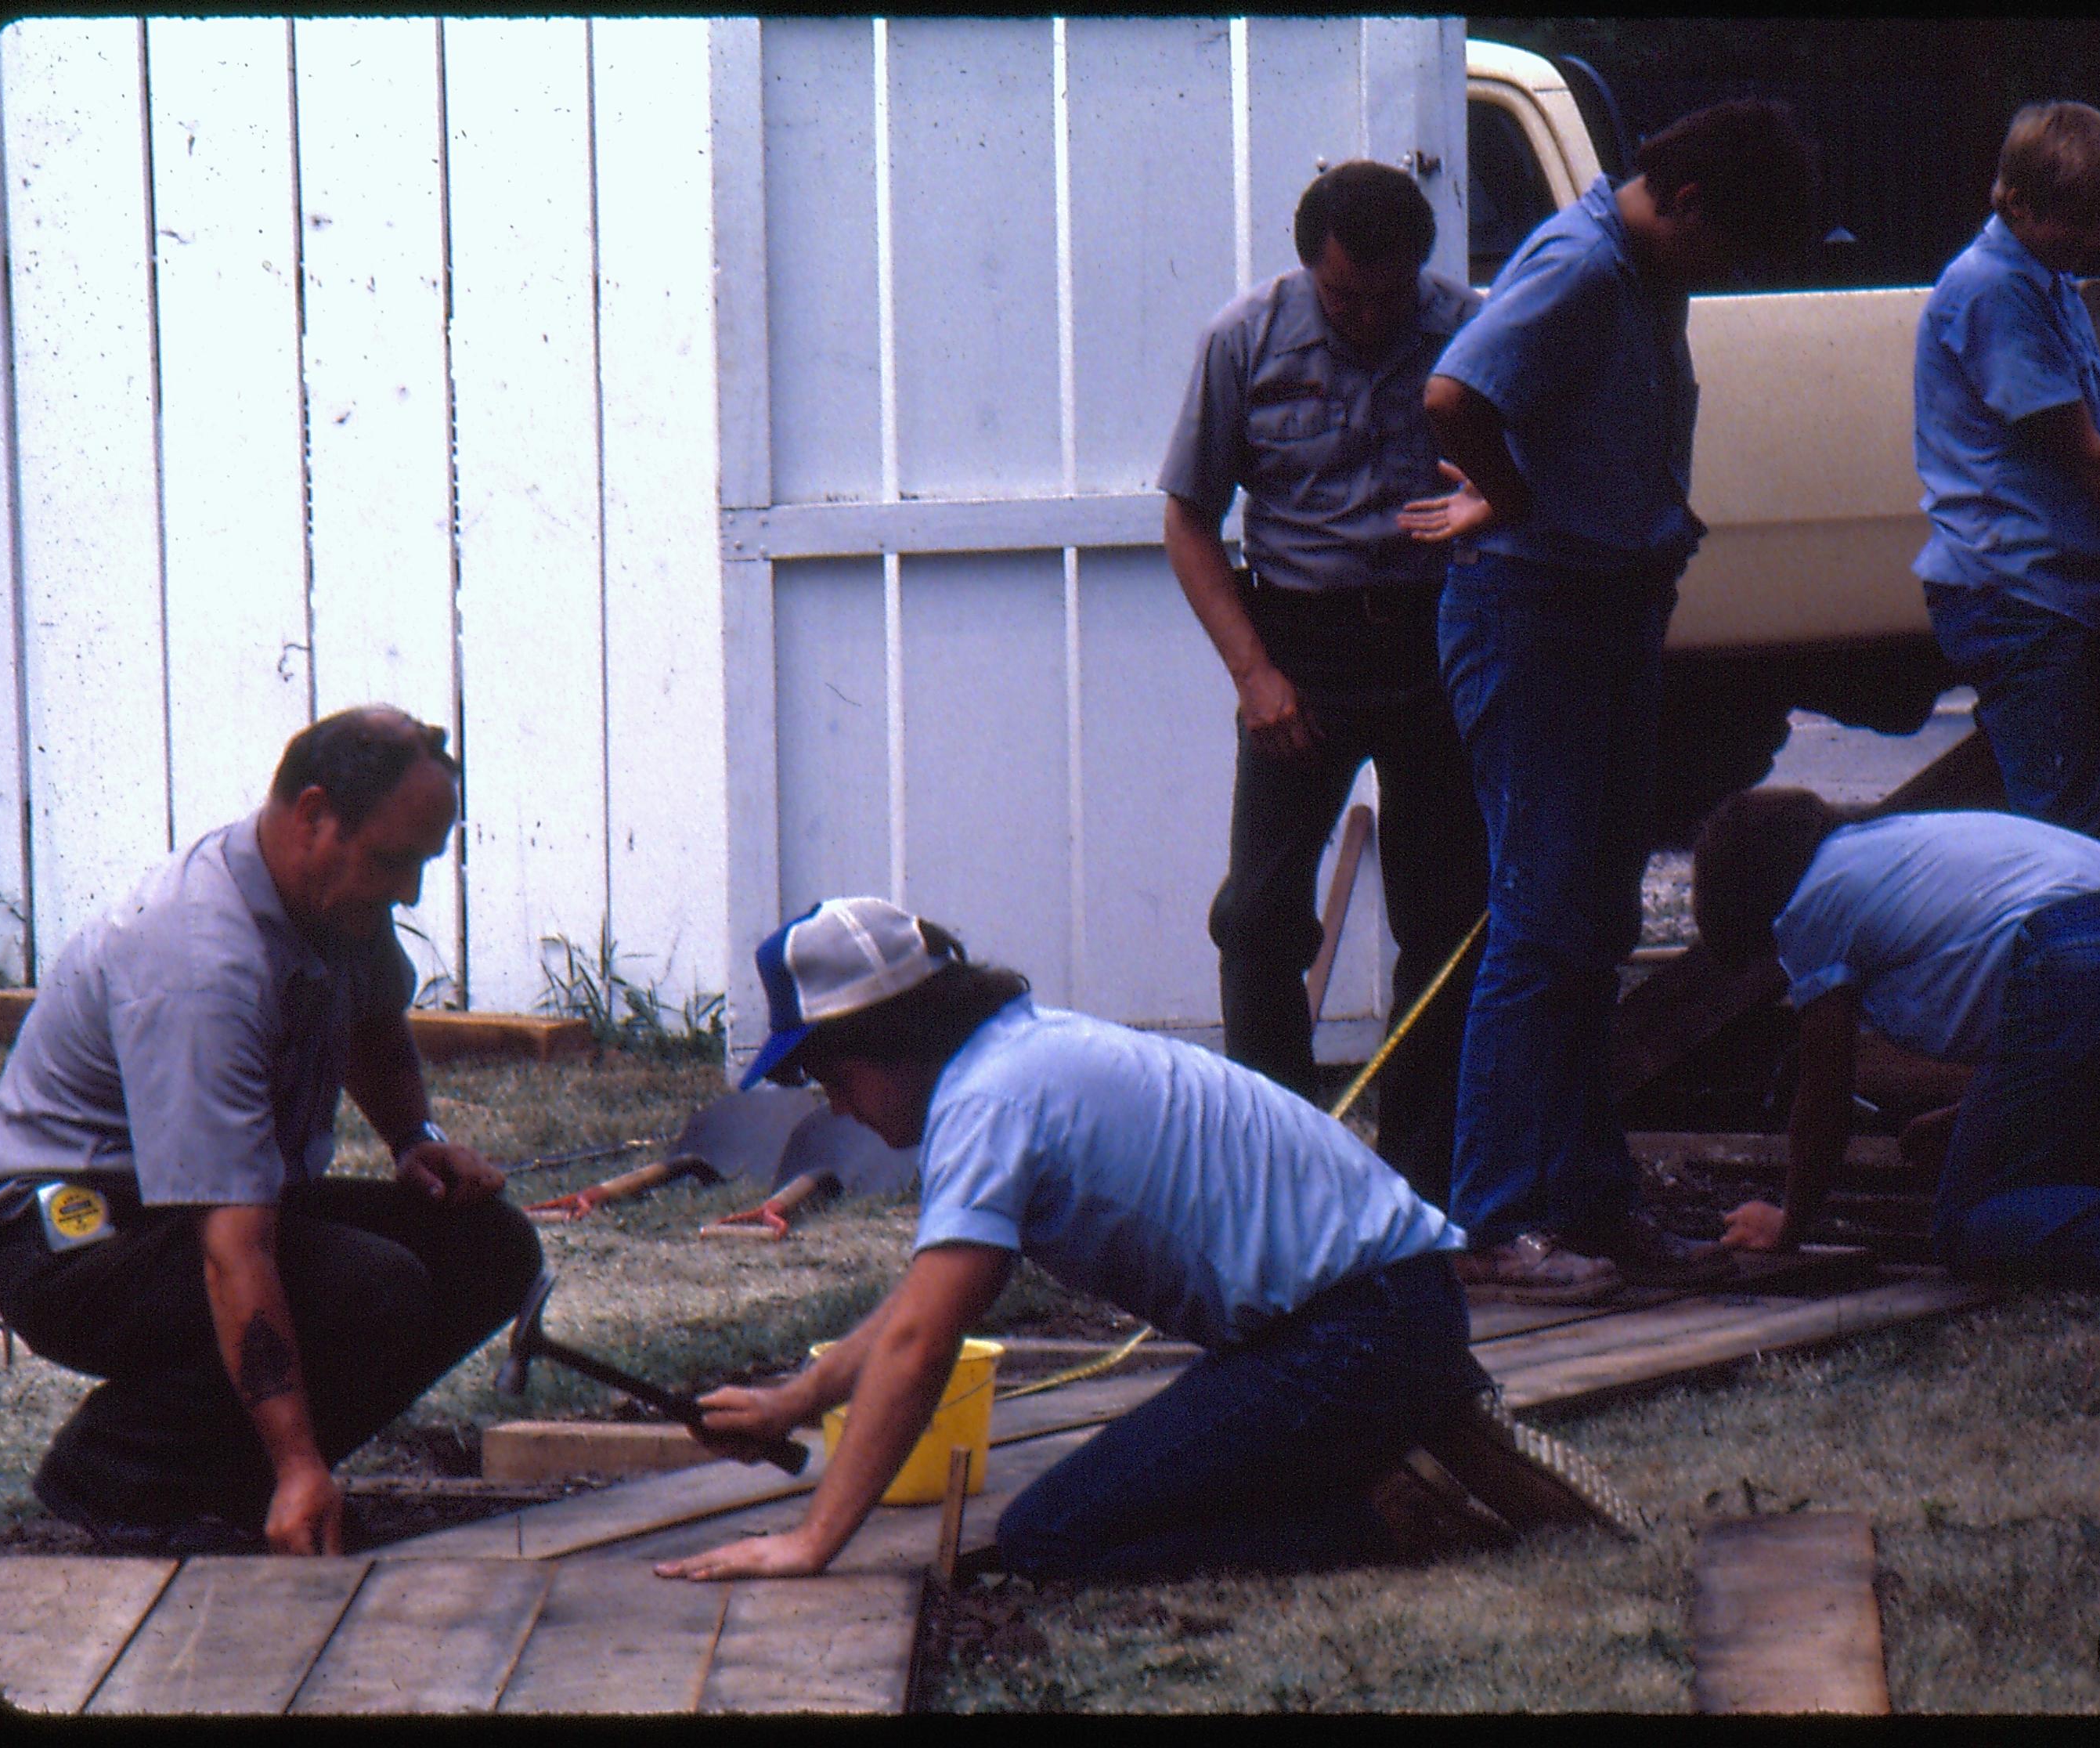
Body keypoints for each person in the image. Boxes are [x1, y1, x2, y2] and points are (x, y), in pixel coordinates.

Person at [651, 897, 1636, 1587]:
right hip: (1383, 1311)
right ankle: (1391, 1437)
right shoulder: (1018, 1059)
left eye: (833, 1078)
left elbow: (922, 1344)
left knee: (1054, 1536)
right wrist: (794, 1400)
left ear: (890, 1038)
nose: (837, 1109)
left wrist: (815, 1539)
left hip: (1353, 1333)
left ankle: (1384, 1508)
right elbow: (917, 1310)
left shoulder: (987, 1104)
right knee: (1104, 1502)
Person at [1393, 99, 1818, 1303]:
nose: (1726, 273)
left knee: (1592, 923)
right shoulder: (1581, 269)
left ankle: (1588, 1195)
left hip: (1609, 610)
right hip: (1535, 619)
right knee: (1537, 922)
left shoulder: (1643, 271)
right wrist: (1509, 499)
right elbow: (1450, 399)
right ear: (1684, 202)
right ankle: (1488, 1218)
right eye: (1726, 246)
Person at [0, 706, 543, 1555]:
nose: (410, 892)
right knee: (369, 1283)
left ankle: (228, 1480)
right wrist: (298, 1460)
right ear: (315, 815)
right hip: (70, 1240)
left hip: (191, 1211)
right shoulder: (201, 963)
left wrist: (413, 1138)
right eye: (396, 862)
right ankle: (122, 1471)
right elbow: (234, 1251)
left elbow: (374, 1021)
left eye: (423, 865)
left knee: (488, 1246)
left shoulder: (335, 898)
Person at [1159, 160, 1488, 1206]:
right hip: (1298, 642)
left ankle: (1418, 1176)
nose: (1367, 317)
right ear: (1309, 267)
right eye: (1344, 296)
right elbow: (1185, 519)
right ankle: (1283, 1166)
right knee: (1257, 916)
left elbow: (1529, 470)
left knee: (1447, 923)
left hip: (1442, 641)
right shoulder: (1242, 339)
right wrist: (1253, 672)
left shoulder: (1472, 326)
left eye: (1389, 297)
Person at [1690, 787, 2100, 1307]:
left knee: (1967, 1224)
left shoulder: (1811, 902)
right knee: (2070, 1182)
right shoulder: (1894, 845)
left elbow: (1825, 1089)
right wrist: (1973, 1117)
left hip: (2077, 967)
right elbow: (2018, 981)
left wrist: (1791, 1222)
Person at [1911, 101, 2100, 848]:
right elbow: (2086, 459)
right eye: (2080, 221)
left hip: (2063, 586)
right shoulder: (1992, 291)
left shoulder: (2050, 281)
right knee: (2061, 825)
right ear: (2019, 202)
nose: (2095, 239)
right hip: (2014, 592)